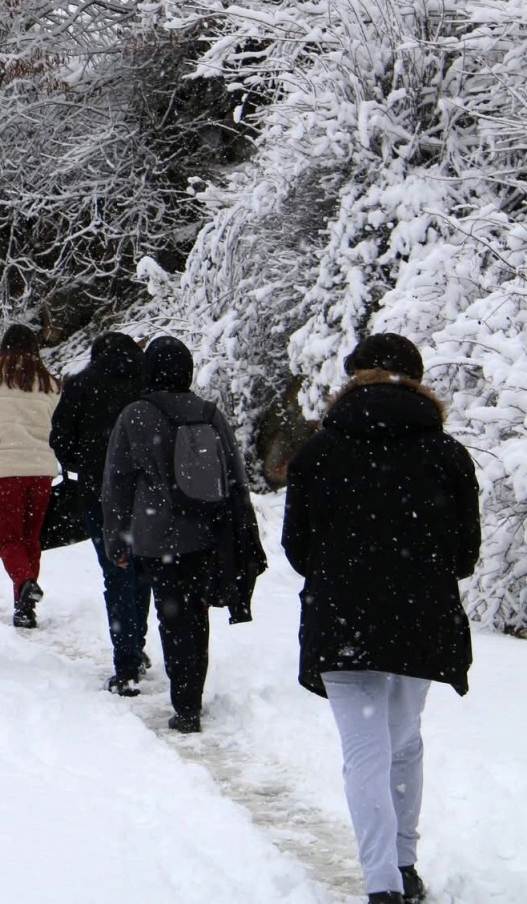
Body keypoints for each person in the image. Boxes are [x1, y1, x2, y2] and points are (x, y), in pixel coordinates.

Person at [282, 334, 480, 904]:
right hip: (422, 618)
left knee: (364, 751)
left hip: (343, 619)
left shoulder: (319, 452)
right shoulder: (447, 454)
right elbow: (465, 553)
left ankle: (382, 884)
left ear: (355, 378)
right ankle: (404, 862)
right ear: (417, 382)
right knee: (405, 743)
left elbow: (298, 548)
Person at [102, 335, 254, 733]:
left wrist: (116, 538)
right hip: (206, 531)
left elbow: (116, 483)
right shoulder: (207, 412)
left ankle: (183, 703)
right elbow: (235, 475)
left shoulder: (134, 414)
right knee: (195, 615)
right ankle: (192, 696)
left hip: (157, 535)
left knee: (170, 614)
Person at [51, 332, 151, 695]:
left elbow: (59, 438)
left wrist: (82, 465)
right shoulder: (148, 382)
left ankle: (125, 661)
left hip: (100, 493)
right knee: (142, 569)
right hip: (145, 494)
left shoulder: (81, 384)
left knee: (116, 572)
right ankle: (136, 645)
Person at [0, 325, 62, 629]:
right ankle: (24, 606)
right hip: (41, 469)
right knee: (31, 540)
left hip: (7, 469)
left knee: (7, 541)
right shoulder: (50, 384)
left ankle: (25, 581)